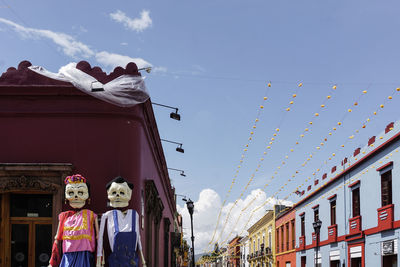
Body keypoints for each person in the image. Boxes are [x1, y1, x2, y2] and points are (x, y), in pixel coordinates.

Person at [49, 174, 99, 267]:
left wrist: (99, 259)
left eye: (80, 192)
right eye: (71, 193)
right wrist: (52, 261)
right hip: (68, 256)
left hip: (84, 256)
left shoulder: (91, 215)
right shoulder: (64, 216)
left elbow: (98, 238)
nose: (76, 197)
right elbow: (57, 238)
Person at [96, 176, 146, 267]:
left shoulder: (135, 215)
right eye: (114, 193)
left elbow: (138, 237)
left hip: (132, 261)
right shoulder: (108, 215)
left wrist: (142, 259)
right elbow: (100, 238)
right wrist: (99, 259)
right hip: (116, 261)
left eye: (122, 192)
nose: (118, 195)